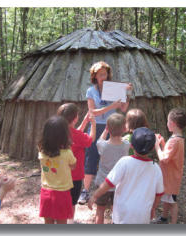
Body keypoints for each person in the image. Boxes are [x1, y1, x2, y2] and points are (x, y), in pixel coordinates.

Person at [78, 61, 133, 204]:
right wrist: (111, 107)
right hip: (96, 127)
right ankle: (85, 191)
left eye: (105, 74)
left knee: (115, 158)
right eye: (100, 74)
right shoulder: (91, 91)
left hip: (112, 127)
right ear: (94, 76)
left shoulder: (113, 89)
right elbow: (92, 112)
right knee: (91, 158)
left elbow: (123, 109)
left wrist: (127, 94)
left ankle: (114, 190)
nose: (104, 76)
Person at [88, 127, 164, 224]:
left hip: (122, 215)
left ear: (131, 145)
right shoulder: (156, 168)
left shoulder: (124, 162)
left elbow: (108, 183)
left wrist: (95, 195)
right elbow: (159, 194)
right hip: (142, 216)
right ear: (153, 147)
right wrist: (153, 208)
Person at [57, 103, 96, 223]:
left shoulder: (58, 132)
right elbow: (90, 140)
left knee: (60, 199)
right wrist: (93, 125)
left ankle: (58, 220)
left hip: (59, 174)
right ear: (75, 118)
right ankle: (69, 222)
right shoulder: (77, 136)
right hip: (75, 176)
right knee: (72, 202)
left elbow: (75, 133)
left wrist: (84, 122)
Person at [38, 115, 77, 224]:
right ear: (64, 135)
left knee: (48, 223)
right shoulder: (67, 153)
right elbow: (73, 165)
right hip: (62, 194)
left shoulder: (41, 151)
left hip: (46, 193)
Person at [94, 113, 130, 224]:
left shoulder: (102, 145)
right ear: (124, 129)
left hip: (102, 183)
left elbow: (100, 140)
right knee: (117, 210)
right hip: (119, 184)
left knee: (100, 210)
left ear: (108, 128)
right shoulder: (126, 145)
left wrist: (105, 131)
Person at [154, 108, 186, 224]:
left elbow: (164, 158)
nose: (167, 123)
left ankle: (173, 223)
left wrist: (157, 147)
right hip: (169, 176)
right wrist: (163, 143)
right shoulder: (177, 138)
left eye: (168, 121)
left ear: (172, 124)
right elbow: (170, 154)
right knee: (167, 198)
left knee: (172, 202)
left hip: (171, 178)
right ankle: (164, 217)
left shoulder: (175, 140)